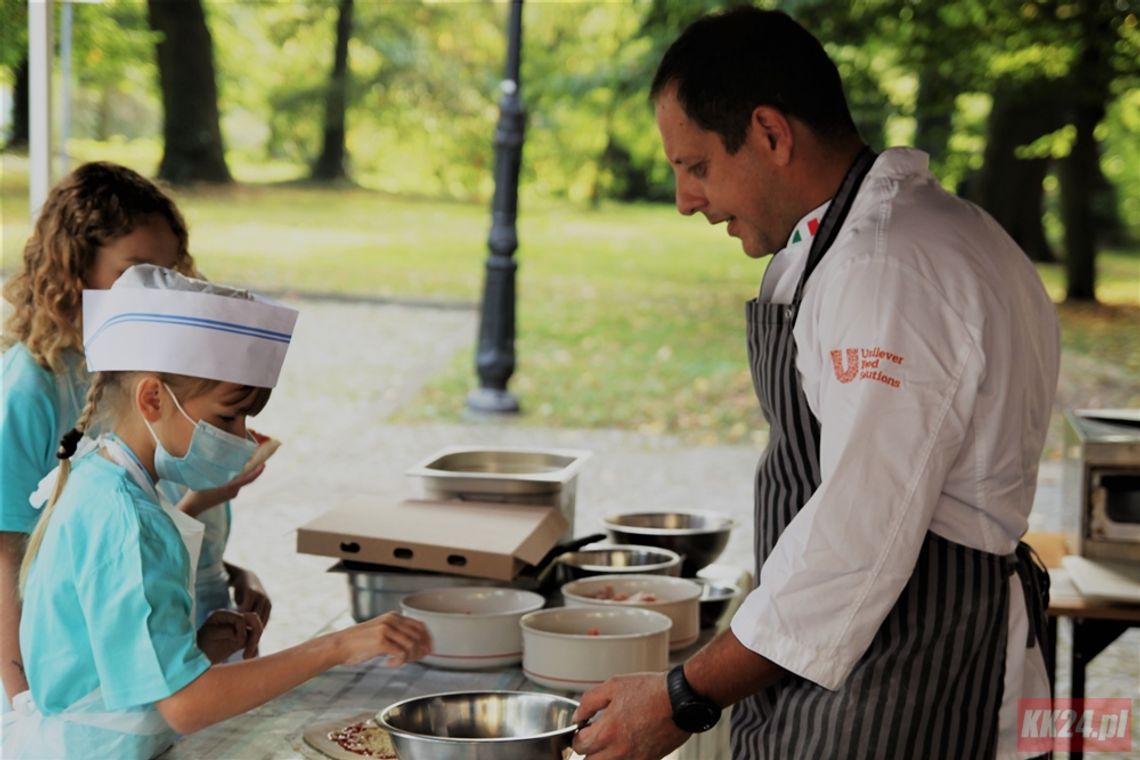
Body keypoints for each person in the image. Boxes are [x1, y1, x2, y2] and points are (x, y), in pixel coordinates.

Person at [571, 8, 1059, 760]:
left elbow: (855, 540)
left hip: (908, 668)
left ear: (770, 134)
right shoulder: (887, 238)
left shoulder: (888, 271)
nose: (685, 201)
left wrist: (682, 698)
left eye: (696, 166)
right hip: (856, 655)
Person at [2, 265, 431, 759]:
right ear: (152, 398)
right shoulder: (128, 519)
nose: (240, 435)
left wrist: (196, 650)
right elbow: (185, 706)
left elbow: (107, 669)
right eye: (227, 415)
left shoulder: (96, 482)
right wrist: (338, 646)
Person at [1, 163, 270, 705]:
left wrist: (232, 575)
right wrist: (20, 697)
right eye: (137, 270)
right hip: (95, 689)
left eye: (169, 269)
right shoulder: (35, 386)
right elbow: (12, 555)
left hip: (175, 646)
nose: (160, 287)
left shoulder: (160, 373)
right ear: (75, 268)